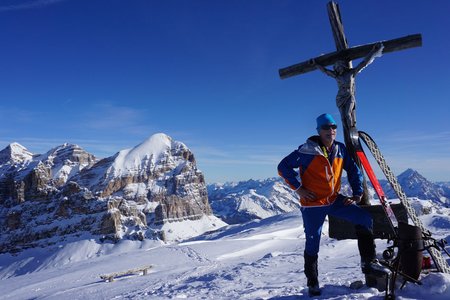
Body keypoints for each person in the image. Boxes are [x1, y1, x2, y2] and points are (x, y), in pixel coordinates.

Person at [277, 113, 388, 297]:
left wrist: (357, 192)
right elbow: (283, 167)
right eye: (326, 127)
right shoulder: (306, 151)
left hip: (333, 199)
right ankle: (313, 283)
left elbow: (353, 170)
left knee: (364, 218)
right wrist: (298, 188)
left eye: (334, 127)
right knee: (313, 242)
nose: (331, 130)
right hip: (313, 204)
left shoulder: (340, 149)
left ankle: (368, 261)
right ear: (319, 131)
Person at [310, 43, 384, 131]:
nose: (337, 69)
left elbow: (363, 63)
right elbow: (325, 71)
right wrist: (315, 64)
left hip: (349, 96)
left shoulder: (351, 73)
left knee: (348, 114)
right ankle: (346, 130)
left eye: (339, 67)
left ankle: (351, 130)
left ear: (343, 66)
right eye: (336, 68)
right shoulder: (337, 76)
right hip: (340, 97)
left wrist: (373, 51)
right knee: (342, 117)